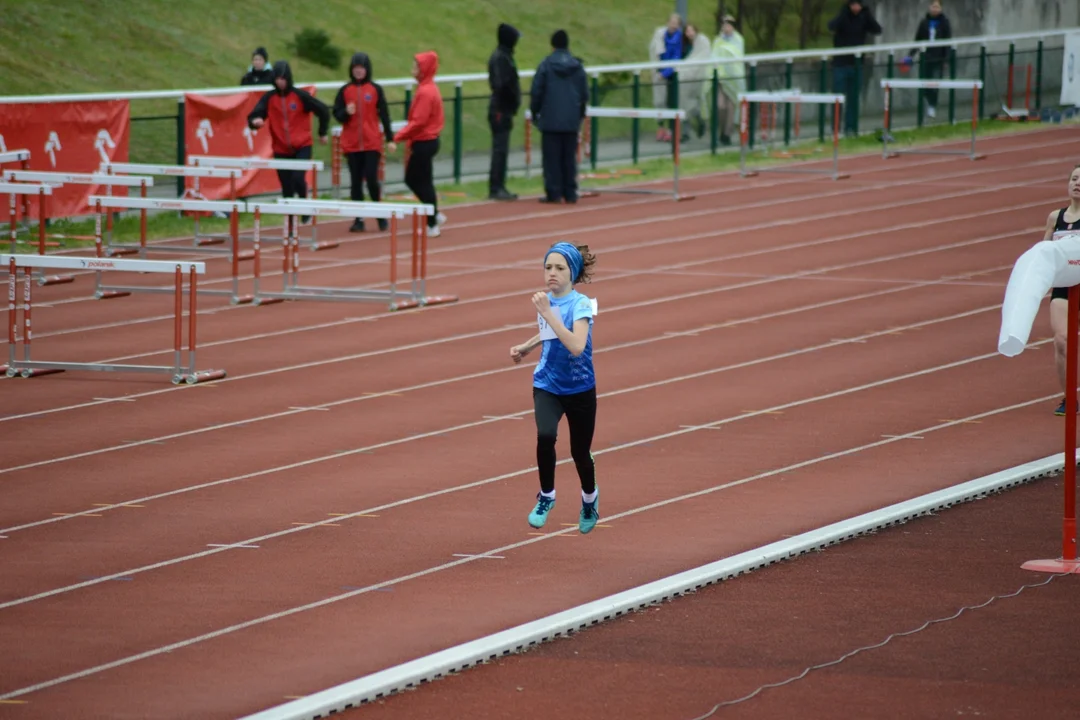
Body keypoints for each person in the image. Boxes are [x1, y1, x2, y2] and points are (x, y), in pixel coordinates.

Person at [509, 241, 600, 534]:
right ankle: (546, 496)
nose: (552, 273)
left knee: (580, 453)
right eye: (548, 267)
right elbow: (549, 332)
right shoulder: (546, 301)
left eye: (560, 268)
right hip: (547, 383)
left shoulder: (581, 305)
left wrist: (548, 313)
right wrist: (527, 346)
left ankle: (589, 498)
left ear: (572, 272)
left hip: (580, 387)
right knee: (546, 436)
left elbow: (575, 345)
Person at [247, 60, 330, 208]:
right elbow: (254, 115)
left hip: (302, 146)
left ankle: (304, 201)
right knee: (286, 188)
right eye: (278, 78)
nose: (280, 82)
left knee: (298, 178)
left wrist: (322, 132)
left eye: (283, 78)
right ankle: (290, 225)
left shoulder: (300, 96)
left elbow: (323, 110)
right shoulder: (269, 98)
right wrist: (255, 122)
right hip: (281, 148)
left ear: (289, 78)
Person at [332, 52, 397, 233]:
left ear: (367, 69)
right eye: (355, 68)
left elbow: (384, 115)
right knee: (355, 182)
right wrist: (346, 112)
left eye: (361, 68)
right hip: (352, 144)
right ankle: (358, 219)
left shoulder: (375, 89)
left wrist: (390, 138)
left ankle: (380, 215)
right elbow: (336, 114)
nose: (358, 71)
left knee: (372, 180)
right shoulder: (345, 91)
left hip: (371, 143)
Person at [530, 30, 588, 205]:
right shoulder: (577, 66)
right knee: (569, 157)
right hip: (571, 119)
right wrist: (579, 114)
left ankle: (554, 193)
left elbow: (537, 91)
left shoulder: (546, 65)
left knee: (551, 158)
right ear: (567, 45)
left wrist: (535, 112)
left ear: (553, 45)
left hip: (550, 119)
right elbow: (584, 94)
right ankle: (570, 192)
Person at [393, 51, 446, 237]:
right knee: (424, 181)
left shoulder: (425, 91)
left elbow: (418, 122)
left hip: (424, 141)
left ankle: (432, 221)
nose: (413, 69)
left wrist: (397, 138)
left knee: (414, 180)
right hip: (428, 141)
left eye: (417, 65)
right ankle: (435, 215)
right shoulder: (428, 87)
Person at [1044, 164, 1080, 415]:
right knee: (1061, 341)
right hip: (1064, 286)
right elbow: (1043, 250)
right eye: (1075, 179)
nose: (1077, 183)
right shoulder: (1055, 217)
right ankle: (1069, 398)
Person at [827, 0, 882, 136]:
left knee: (853, 98)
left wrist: (868, 15)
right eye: (853, 5)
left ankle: (850, 128)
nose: (856, 8)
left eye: (858, 5)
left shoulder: (864, 17)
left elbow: (877, 30)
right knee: (838, 97)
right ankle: (835, 127)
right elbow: (831, 26)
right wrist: (843, 13)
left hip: (856, 63)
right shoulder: (843, 16)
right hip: (840, 63)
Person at [487, 23, 522, 201]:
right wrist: (510, 101)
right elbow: (501, 85)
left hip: (503, 108)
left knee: (502, 149)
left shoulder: (504, 57)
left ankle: (499, 185)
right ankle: (496, 186)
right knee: (500, 149)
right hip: (501, 108)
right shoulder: (501, 58)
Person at [903, 1, 953, 119]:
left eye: (937, 7)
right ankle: (926, 102)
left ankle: (932, 105)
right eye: (933, 6)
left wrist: (946, 59)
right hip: (925, 57)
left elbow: (948, 42)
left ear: (940, 8)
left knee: (935, 83)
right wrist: (911, 55)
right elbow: (918, 39)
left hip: (938, 58)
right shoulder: (924, 23)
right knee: (925, 82)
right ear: (929, 8)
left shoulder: (944, 23)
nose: (935, 9)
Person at [649, 14, 688, 142]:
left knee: (672, 102)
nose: (673, 25)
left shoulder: (679, 39)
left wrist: (665, 73)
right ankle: (661, 127)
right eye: (671, 22)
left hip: (673, 73)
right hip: (660, 70)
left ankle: (672, 130)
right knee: (659, 101)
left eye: (676, 23)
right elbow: (656, 52)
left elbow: (677, 58)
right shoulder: (661, 35)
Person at [711, 14, 746, 147]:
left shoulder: (738, 40)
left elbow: (737, 56)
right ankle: (721, 130)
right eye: (724, 24)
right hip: (721, 78)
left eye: (729, 25)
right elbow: (714, 56)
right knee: (721, 106)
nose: (726, 27)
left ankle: (727, 134)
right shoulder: (717, 40)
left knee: (731, 106)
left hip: (734, 79)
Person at [679, 23, 712, 139]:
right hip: (685, 77)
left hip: (697, 76)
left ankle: (698, 122)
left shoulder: (702, 41)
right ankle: (686, 132)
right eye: (687, 31)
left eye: (691, 30)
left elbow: (703, 56)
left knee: (692, 101)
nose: (689, 33)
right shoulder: (685, 44)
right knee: (683, 102)